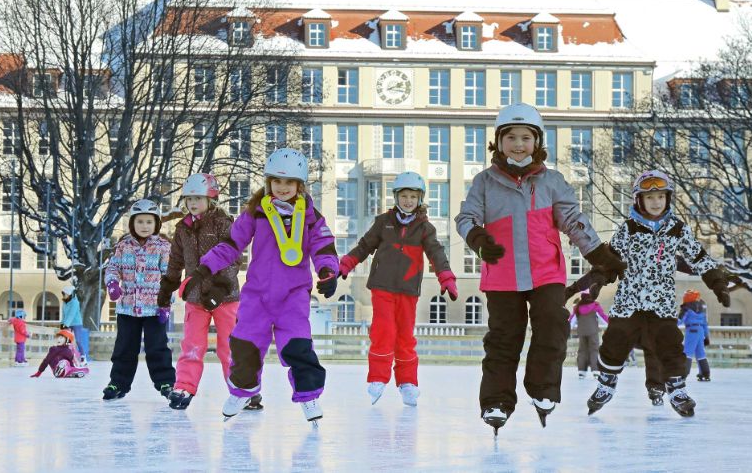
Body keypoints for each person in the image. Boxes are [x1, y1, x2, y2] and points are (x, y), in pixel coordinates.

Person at [454, 103, 626, 433]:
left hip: (545, 272)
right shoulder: (485, 182)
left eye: (525, 138)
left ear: (537, 142)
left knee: (553, 324)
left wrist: (598, 253)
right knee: (503, 340)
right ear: (498, 142)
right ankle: (496, 401)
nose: (518, 145)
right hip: (503, 275)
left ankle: (543, 390)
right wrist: (478, 238)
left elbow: (573, 221)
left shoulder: (552, 182)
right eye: (511, 138)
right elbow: (466, 217)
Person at [195, 149, 338, 423]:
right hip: (257, 295)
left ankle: (309, 397)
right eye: (277, 181)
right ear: (268, 182)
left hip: (293, 295)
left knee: (298, 346)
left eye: (289, 183)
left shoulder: (310, 215)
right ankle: (242, 391)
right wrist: (206, 267)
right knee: (245, 345)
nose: (282, 188)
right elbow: (231, 244)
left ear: (300, 185)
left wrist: (328, 271)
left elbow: (323, 245)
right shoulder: (255, 213)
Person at [582, 170, 732, 418]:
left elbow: (697, 256)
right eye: (650, 197)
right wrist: (598, 280)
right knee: (615, 340)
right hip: (629, 302)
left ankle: (676, 388)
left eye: (661, 197)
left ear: (668, 199)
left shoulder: (677, 229)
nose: (656, 202)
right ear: (639, 200)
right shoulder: (628, 228)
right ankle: (606, 383)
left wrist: (717, 282)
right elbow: (611, 259)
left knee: (670, 344)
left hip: (661, 304)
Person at [339, 171, 457, 406]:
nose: (408, 201)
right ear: (396, 197)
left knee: (404, 336)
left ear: (420, 199)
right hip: (382, 286)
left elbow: (437, 253)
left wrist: (446, 277)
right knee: (384, 331)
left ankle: (407, 382)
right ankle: (378, 378)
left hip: (408, 289)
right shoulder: (384, 222)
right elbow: (364, 246)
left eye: (413, 196)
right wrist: (346, 263)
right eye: (404, 195)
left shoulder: (425, 228)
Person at [157, 173, 252, 411]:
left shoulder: (223, 222)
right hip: (195, 297)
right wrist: (168, 285)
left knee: (229, 346)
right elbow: (175, 260)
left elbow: (234, 256)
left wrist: (221, 287)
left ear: (211, 198)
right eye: (189, 199)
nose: (192, 203)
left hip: (225, 298)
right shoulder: (182, 228)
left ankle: (241, 389)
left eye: (198, 198)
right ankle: (184, 387)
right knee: (191, 345)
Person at [102, 199, 177, 401]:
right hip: (127, 308)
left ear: (157, 224)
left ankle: (166, 382)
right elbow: (112, 268)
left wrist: (166, 304)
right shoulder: (123, 245)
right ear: (132, 223)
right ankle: (118, 382)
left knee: (157, 347)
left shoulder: (163, 247)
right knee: (124, 347)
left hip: (154, 310)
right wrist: (112, 283)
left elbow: (169, 277)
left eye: (149, 222)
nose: (144, 226)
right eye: (140, 222)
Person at [569, 291, 608, 380]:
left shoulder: (578, 307)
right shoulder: (595, 306)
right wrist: (610, 324)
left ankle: (581, 372)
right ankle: (595, 371)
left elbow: (572, 319)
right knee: (594, 350)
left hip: (582, 332)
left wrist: (568, 328)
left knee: (582, 350)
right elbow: (602, 317)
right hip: (593, 332)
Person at [678, 290, 712, 382]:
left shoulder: (686, 308)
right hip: (700, 331)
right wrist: (707, 336)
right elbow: (705, 323)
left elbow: (679, 321)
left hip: (691, 331)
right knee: (700, 353)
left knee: (687, 352)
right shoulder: (702, 307)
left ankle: (683, 373)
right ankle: (705, 373)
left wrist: (670, 324)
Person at [60, 286, 88, 366]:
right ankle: (69, 357)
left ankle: (83, 357)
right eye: (63, 294)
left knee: (78, 340)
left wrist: (65, 324)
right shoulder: (64, 302)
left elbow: (71, 314)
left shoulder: (75, 302)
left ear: (70, 294)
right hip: (68, 324)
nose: (64, 296)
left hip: (76, 323)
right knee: (67, 341)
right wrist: (62, 324)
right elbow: (64, 314)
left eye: (65, 294)